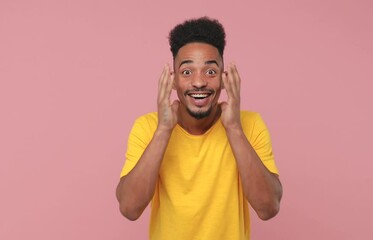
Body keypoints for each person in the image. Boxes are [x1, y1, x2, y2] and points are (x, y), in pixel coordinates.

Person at [116, 16, 282, 240]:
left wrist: (233, 127)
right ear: (173, 81)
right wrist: (164, 130)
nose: (199, 82)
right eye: (187, 72)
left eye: (210, 71)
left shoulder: (250, 125)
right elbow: (129, 208)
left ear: (224, 79)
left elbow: (268, 208)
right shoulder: (148, 128)